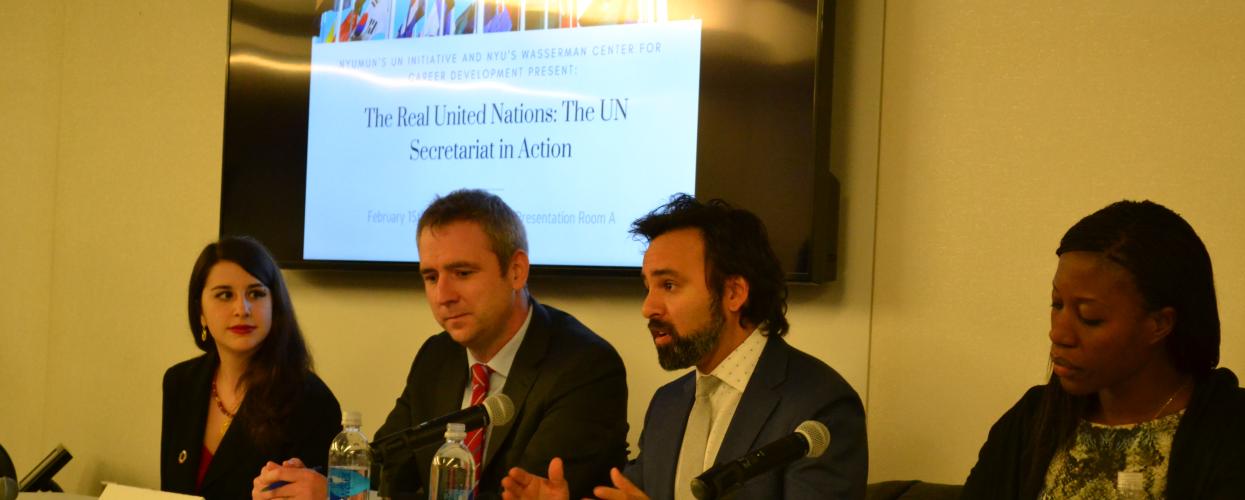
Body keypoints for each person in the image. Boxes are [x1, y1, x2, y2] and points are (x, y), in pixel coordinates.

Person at [252, 189, 628, 500]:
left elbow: (517, 495)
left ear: (516, 270)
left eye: (462, 273)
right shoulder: (438, 356)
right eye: (431, 277)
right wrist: (314, 483)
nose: (443, 295)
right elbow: (385, 466)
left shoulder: (584, 367)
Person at [503, 194, 867, 500]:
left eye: (669, 286)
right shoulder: (668, 404)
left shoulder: (819, 407)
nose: (648, 308)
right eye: (647, 287)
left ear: (733, 292)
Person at [960, 200, 1245, 499]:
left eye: (1090, 317)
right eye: (1057, 304)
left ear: (1159, 324)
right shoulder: (1031, 419)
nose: (1058, 333)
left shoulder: (1238, 427)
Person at [162, 236, 341, 500]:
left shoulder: (310, 398)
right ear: (200, 310)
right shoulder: (180, 382)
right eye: (225, 295)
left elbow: (341, 494)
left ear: (274, 306)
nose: (241, 309)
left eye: (256, 294)